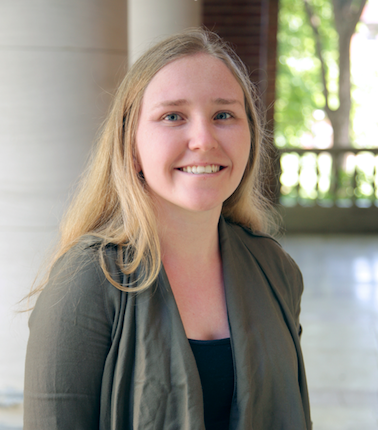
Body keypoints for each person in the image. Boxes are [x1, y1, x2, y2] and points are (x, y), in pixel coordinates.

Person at [24, 28, 312, 429]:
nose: (203, 139)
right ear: (131, 144)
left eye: (224, 115)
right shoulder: (87, 280)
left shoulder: (274, 267)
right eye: (173, 116)